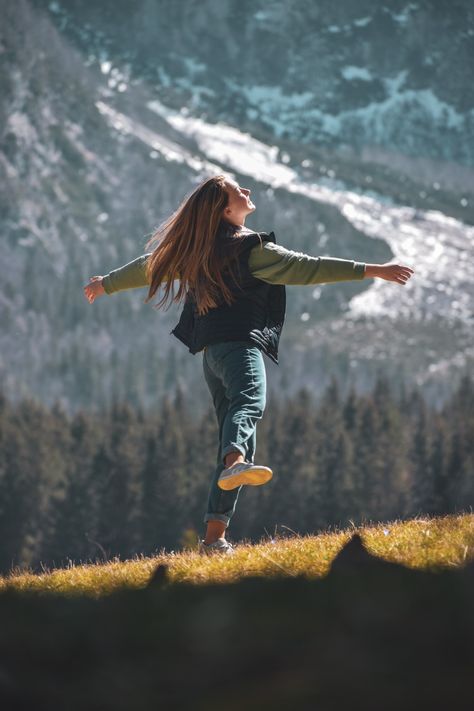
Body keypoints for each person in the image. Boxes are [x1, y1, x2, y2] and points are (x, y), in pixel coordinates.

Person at [83, 174, 414, 555]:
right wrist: (373, 269)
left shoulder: (194, 251)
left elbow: (149, 265)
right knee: (251, 403)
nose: (247, 192)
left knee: (235, 438)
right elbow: (309, 268)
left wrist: (106, 283)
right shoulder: (251, 250)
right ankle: (235, 463)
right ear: (226, 210)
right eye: (238, 191)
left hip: (212, 357)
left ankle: (213, 537)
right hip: (240, 348)